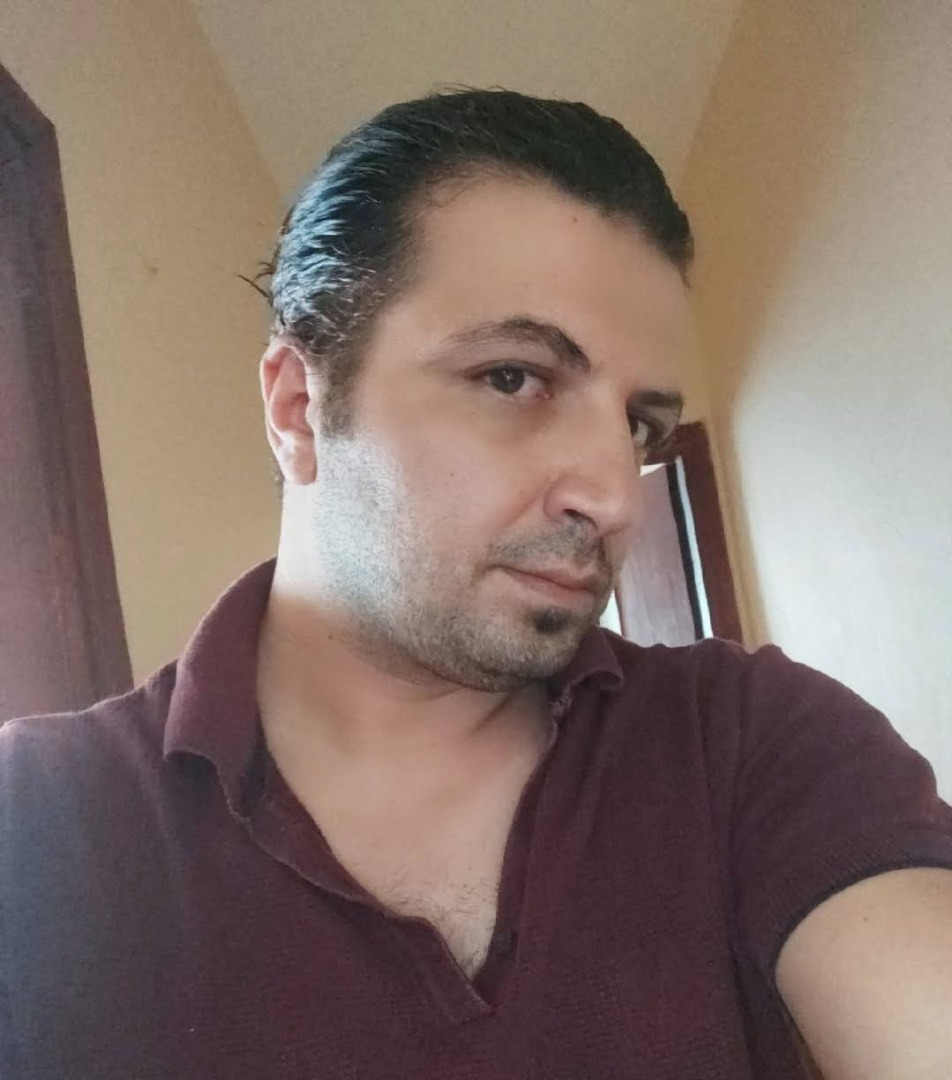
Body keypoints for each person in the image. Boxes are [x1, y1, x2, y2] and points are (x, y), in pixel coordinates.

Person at [2, 88, 951, 1080]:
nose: (611, 495)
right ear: (297, 409)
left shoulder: (754, 740)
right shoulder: (37, 826)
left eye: (638, 425)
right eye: (512, 377)